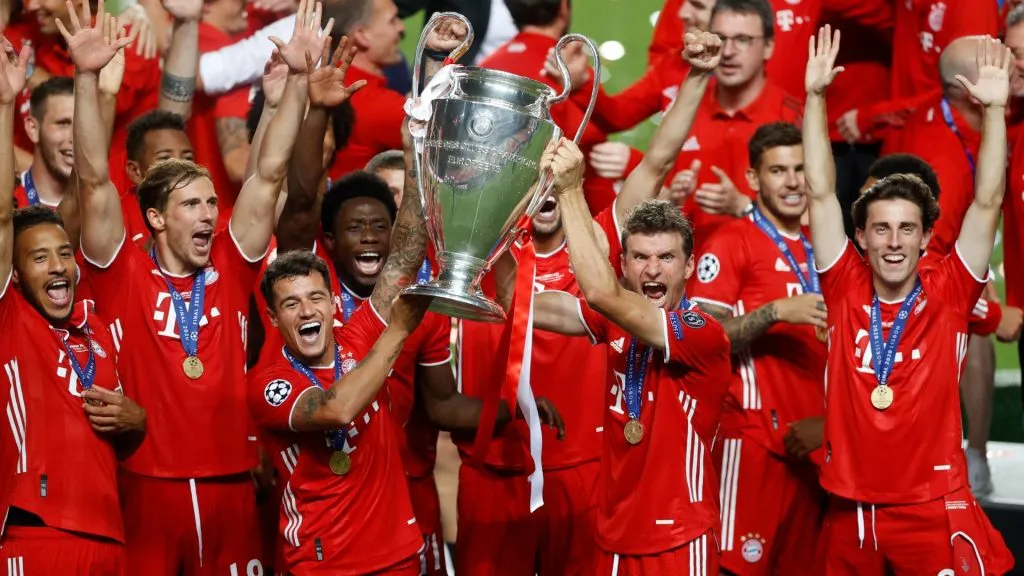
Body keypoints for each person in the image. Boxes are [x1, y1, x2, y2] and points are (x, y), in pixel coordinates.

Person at [453, 30, 722, 576]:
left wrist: (696, 76)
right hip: (508, 468)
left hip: (589, 471)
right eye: (538, 181)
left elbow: (660, 159)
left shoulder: (600, 242)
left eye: (665, 260)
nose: (650, 270)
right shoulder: (507, 257)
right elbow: (516, 300)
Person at [70, 0, 324, 571]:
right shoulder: (121, 270)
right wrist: (87, 80)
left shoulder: (232, 267)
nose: (209, 214)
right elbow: (91, 178)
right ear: (156, 217)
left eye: (211, 202)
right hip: (147, 486)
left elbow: (269, 174)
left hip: (232, 485)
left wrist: (301, 85)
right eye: (191, 204)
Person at [802, 26, 1013, 573]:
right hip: (851, 510)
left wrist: (994, 111)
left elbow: (988, 198)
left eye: (906, 229)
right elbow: (821, 191)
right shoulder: (844, 283)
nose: (893, 242)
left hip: (932, 509)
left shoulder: (948, 291)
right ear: (861, 238)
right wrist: (816, 97)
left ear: (925, 238)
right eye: (881, 229)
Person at [525, 138, 730, 573]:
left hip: (679, 538)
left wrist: (570, 190)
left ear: (690, 267)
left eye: (666, 258)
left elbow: (599, 293)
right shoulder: (616, 321)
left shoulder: (701, 333)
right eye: (639, 257)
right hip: (614, 536)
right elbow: (531, 307)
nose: (653, 270)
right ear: (624, 264)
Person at [0, 38, 146, 574]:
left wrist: (136, 422)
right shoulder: (9, 317)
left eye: (64, 254)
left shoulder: (96, 326)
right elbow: (1, 218)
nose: (59, 266)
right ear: (14, 275)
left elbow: (90, 186)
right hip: (35, 536)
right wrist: (2, 105)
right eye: (39, 258)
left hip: (109, 537)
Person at [688, 121, 827, 575]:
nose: (792, 182)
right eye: (778, 170)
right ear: (753, 180)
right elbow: (698, 337)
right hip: (751, 442)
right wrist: (773, 313)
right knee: (736, 568)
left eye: (800, 169)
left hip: (816, 442)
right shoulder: (731, 242)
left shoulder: (820, 248)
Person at [858, 153, 1024, 498]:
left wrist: (991, 316)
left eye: (871, 197)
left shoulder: (928, 266)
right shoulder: (847, 268)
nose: (860, 206)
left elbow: (986, 204)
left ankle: (974, 456)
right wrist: (995, 317)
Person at [321, 0, 408, 179]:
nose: (401, 27)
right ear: (362, 34)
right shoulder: (378, 104)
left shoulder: (325, 82)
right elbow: (449, 143)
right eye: (392, 21)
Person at [121, 110, 196, 246]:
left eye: (188, 158)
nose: (180, 167)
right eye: (164, 159)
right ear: (135, 171)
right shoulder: (116, 220)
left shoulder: (206, 213)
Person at [15, 77, 74, 209]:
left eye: (82, 125)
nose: (75, 137)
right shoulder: (9, 201)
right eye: (63, 123)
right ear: (33, 129)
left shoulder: (102, 204)